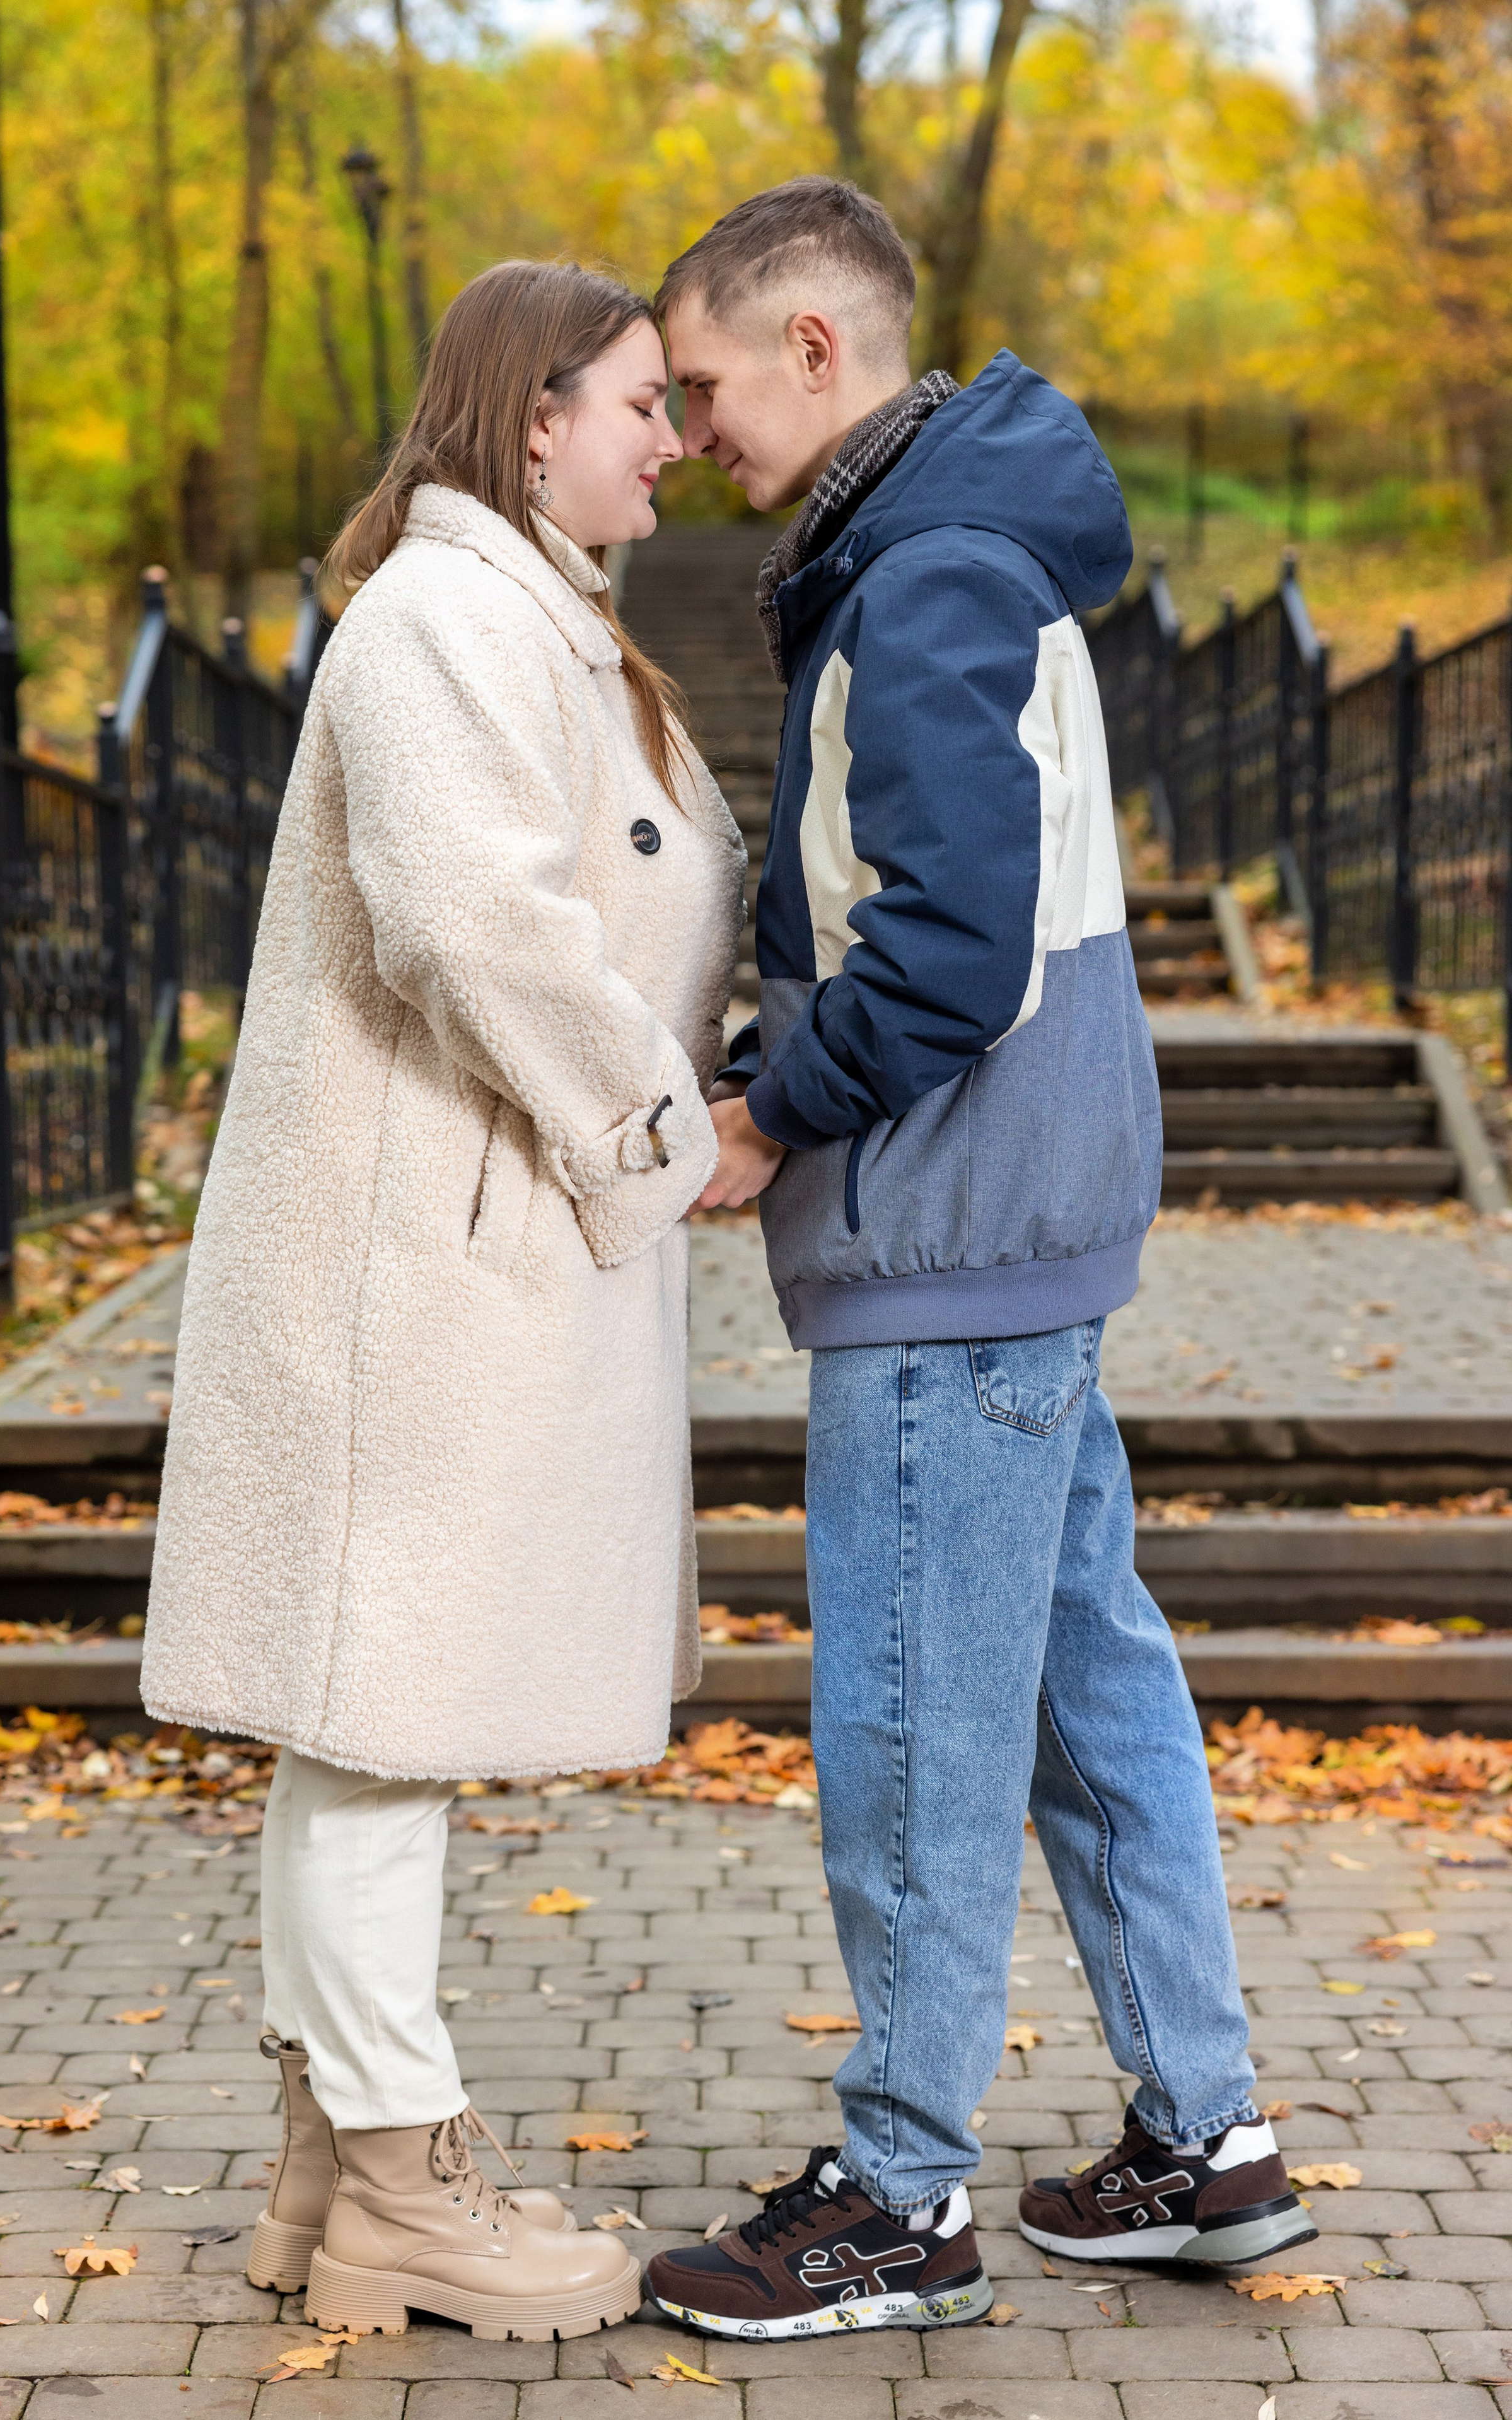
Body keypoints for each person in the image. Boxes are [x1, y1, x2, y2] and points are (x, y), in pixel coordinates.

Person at [642, 178, 1313, 2343]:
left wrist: (765, 1104)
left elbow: (939, 951)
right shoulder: (970, 558)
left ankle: (903, 2193)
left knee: (922, 1717)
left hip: (948, 1231)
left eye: (711, 384)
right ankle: (1204, 2141)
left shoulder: (923, 579)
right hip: (1027, 1224)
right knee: (1085, 1690)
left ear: (818, 354)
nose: (692, 427)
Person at [139, 260, 746, 2342]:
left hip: (470, 1249)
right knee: (378, 1722)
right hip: (409, 1264)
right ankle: (403, 2176)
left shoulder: (532, 623)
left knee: (375, 1731)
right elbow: (476, 921)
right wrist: (667, 1138)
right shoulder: (444, 619)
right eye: (642, 401)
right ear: (532, 416)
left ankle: (340, 2171)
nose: (672, 437)